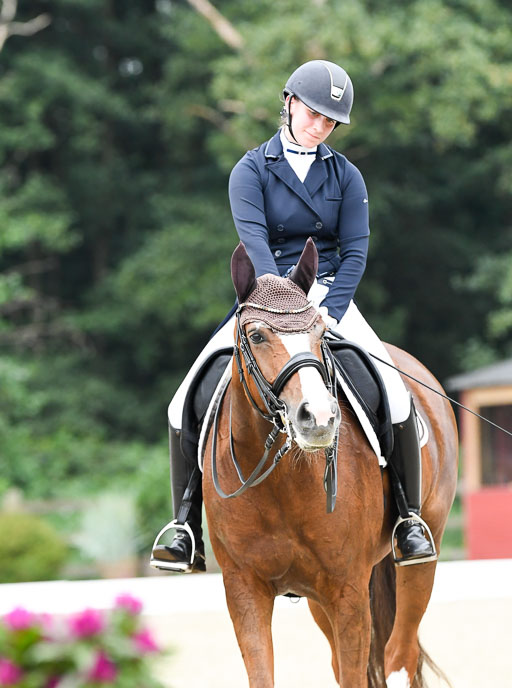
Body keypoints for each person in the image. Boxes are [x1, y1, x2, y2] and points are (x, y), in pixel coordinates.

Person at [150, 59, 436, 573]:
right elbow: (254, 241)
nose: (320, 125)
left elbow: (354, 253)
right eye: (312, 112)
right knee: (182, 399)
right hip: (265, 296)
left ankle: (407, 519)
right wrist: (280, 301)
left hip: (326, 298)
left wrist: (327, 309)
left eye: (330, 120)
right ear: (288, 103)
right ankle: (185, 525)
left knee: (393, 390)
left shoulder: (345, 175)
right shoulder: (251, 169)